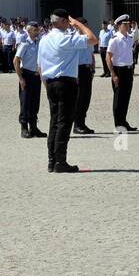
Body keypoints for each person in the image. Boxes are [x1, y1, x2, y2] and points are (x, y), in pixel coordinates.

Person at [37, 10, 98, 173]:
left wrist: (46, 85)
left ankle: (52, 160)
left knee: (54, 122)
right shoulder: (66, 38)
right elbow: (93, 39)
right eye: (68, 21)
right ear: (64, 21)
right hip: (66, 83)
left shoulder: (44, 39)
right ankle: (60, 162)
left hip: (50, 82)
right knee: (64, 123)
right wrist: (78, 24)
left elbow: (40, 66)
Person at [105, 15, 139, 131]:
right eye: (125, 24)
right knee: (118, 99)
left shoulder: (129, 38)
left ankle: (123, 122)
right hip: (119, 70)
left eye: (128, 24)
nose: (128, 26)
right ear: (119, 25)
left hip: (128, 70)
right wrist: (113, 74)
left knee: (126, 98)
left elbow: (136, 36)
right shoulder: (114, 39)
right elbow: (108, 57)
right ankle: (118, 125)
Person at [14, 22, 45, 139]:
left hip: (37, 76)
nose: (38, 31)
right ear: (29, 31)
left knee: (35, 102)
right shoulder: (24, 44)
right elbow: (16, 61)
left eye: (38, 29)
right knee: (25, 102)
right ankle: (24, 128)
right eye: (35, 29)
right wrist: (20, 78)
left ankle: (34, 127)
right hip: (26, 75)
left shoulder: (39, 42)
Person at [72, 17, 96, 135]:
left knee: (86, 97)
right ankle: (77, 124)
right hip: (78, 70)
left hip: (87, 70)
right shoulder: (75, 39)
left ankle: (82, 122)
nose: (86, 28)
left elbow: (91, 55)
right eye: (83, 25)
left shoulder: (88, 38)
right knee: (79, 98)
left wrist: (93, 70)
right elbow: (73, 58)